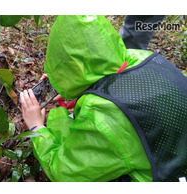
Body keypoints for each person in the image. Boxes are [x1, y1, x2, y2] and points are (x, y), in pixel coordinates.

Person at [20, 15, 187, 182]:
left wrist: (37, 127)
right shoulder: (140, 56)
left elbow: (64, 172)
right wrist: (72, 88)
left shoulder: (102, 114)